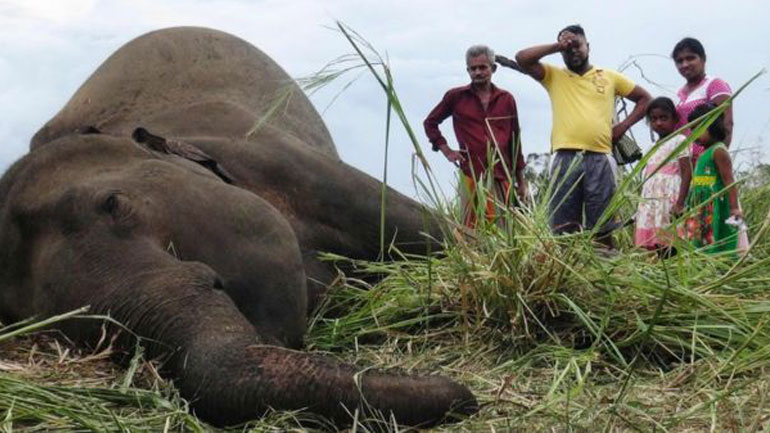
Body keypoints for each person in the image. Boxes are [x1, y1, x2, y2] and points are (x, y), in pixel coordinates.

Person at [515, 25, 651, 248]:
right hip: (564, 159)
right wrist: (557, 46)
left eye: (577, 45)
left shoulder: (608, 76)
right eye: (567, 48)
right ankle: (567, 268)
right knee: (563, 228)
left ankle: (605, 265)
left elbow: (645, 98)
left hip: (600, 158)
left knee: (603, 226)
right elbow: (522, 58)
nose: (573, 51)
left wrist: (622, 127)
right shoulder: (554, 76)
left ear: (588, 46)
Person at [424, 45, 527, 227]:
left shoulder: (506, 99)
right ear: (468, 71)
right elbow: (430, 123)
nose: (477, 72)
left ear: (493, 68)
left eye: (482, 67)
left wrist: (521, 182)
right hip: (471, 173)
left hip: (500, 175)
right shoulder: (456, 97)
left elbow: (515, 141)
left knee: (502, 229)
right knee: (470, 229)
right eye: (473, 69)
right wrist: (447, 151)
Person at [634, 97, 691, 254]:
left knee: (670, 239)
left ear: (674, 119)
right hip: (652, 201)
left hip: (668, 198)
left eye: (664, 118)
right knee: (653, 240)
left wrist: (680, 203)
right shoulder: (651, 147)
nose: (658, 123)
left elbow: (687, 172)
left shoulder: (679, 140)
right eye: (654, 119)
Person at [684, 103, 742, 254]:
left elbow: (729, 181)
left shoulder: (718, 151)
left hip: (713, 202)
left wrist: (734, 208)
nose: (695, 135)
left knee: (714, 235)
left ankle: (716, 261)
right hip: (700, 203)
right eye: (692, 130)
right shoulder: (704, 153)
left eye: (699, 129)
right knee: (698, 238)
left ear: (713, 126)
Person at [671, 37, 734, 165]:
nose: (685, 64)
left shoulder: (714, 85)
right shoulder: (679, 94)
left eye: (690, 58)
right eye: (680, 61)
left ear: (703, 59)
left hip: (705, 160)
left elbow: (727, 124)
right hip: (684, 163)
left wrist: (715, 160)